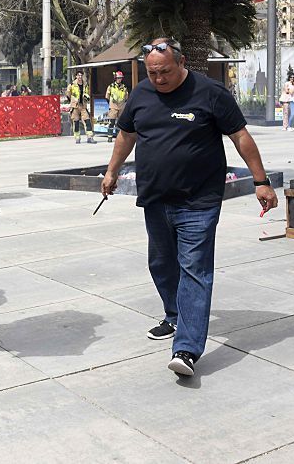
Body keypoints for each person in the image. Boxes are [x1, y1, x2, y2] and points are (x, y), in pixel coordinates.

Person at [101, 38, 278, 378]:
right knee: (161, 264)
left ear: (181, 63)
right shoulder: (140, 94)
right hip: (155, 198)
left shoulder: (210, 93)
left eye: (165, 71)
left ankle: (186, 348)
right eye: (152, 72)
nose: (159, 79)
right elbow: (126, 134)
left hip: (199, 200)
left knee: (194, 269)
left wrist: (261, 181)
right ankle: (174, 314)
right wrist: (112, 171)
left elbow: (240, 137)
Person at [66, 70, 96, 143]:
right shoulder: (72, 85)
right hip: (75, 106)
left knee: (87, 121)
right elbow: (68, 94)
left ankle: (89, 137)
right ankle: (77, 137)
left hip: (83, 105)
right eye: (78, 75)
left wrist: (86, 97)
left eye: (81, 75)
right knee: (76, 122)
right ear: (76, 76)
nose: (80, 77)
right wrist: (72, 101)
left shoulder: (85, 84)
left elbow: (87, 92)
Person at [104, 70, 129, 142]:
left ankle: (119, 137)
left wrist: (123, 105)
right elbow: (107, 96)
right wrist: (111, 104)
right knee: (111, 122)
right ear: (115, 78)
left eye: (120, 78)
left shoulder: (124, 87)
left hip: (121, 107)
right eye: (118, 78)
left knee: (120, 123)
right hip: (113, 107)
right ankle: (110, 137)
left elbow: (126, 97)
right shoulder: (111, 86)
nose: (119, 79)